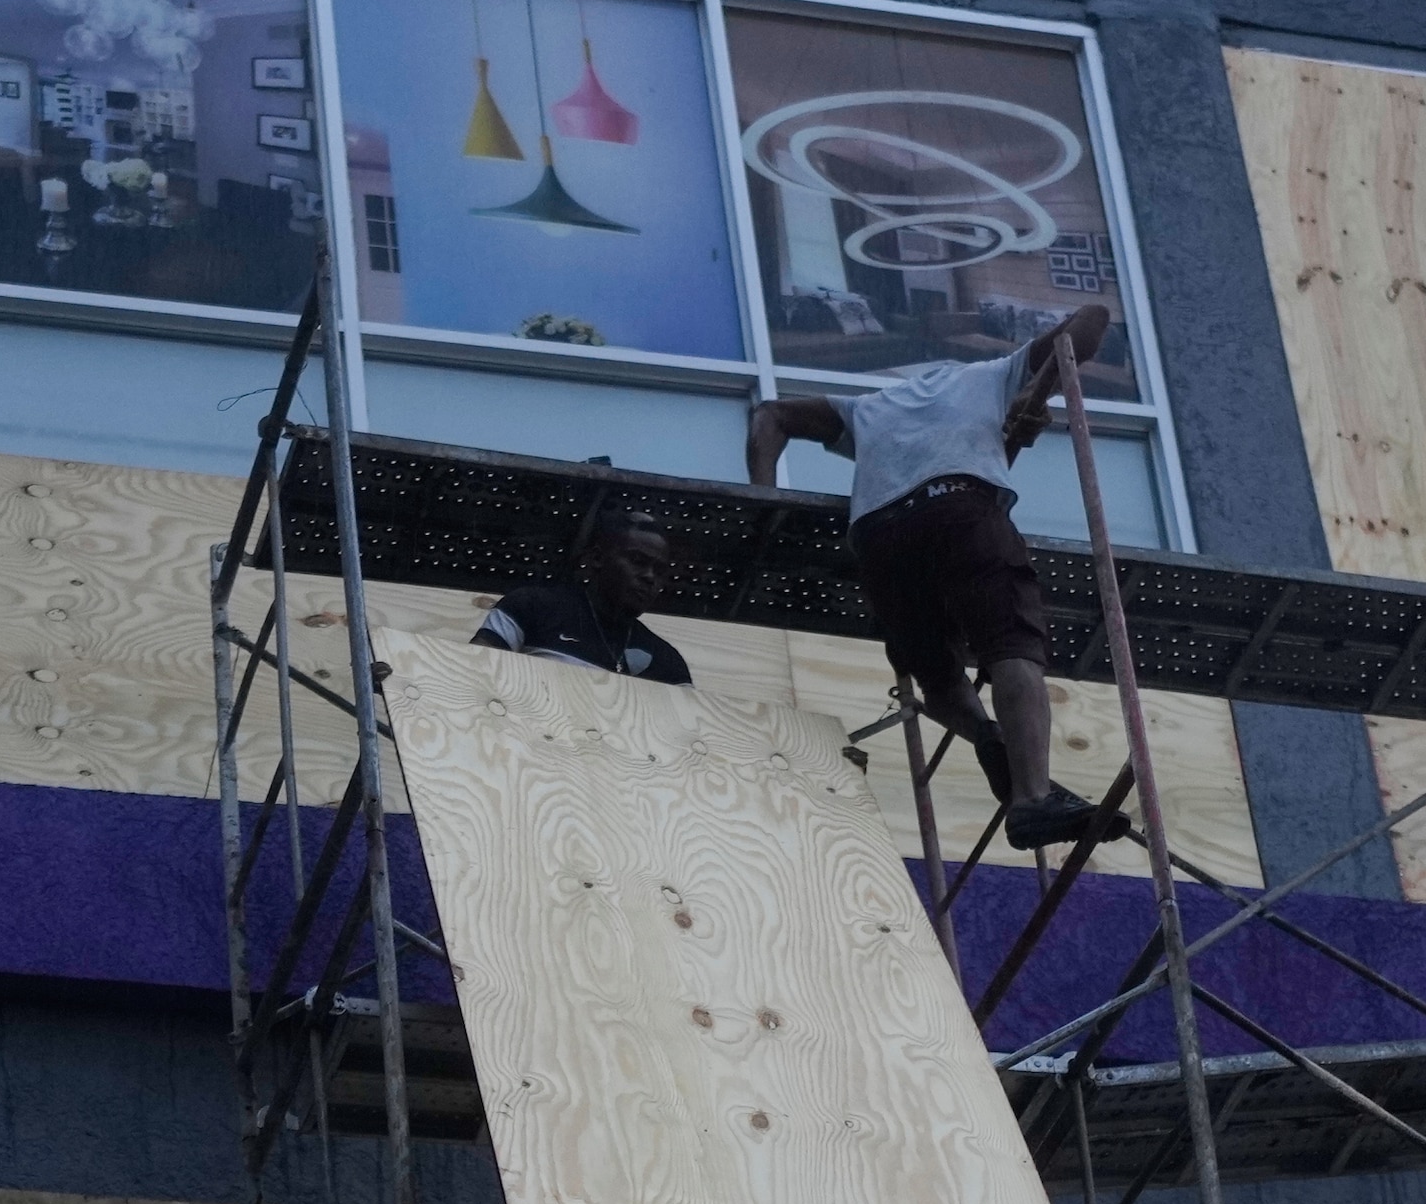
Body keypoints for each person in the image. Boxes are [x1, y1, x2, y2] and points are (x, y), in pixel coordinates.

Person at [744, 304, 1116, 853]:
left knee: (934, 670)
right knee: (1011, 644)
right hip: (960, 507)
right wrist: (1033, 392)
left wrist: (764, 500)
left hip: (879, 535)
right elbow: (1090, 322)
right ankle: (1033, 797)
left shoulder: (868, 407)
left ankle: (989, 739)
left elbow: (771, 414)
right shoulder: (992, 373)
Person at [471, 499, 695, 687]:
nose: (649, 577)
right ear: (597, 559)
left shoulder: (666, 662)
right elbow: (472, 672)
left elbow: (691, 731)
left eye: (659, 570)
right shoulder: (532, 608)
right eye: (637, 561)